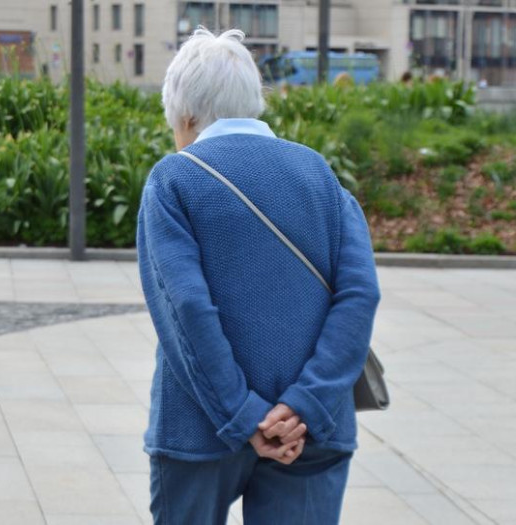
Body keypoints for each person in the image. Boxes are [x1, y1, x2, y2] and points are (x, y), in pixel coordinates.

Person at [138, 27, 381, 525]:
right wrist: (307, 402)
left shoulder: (173, 179)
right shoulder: (319, 173)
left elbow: (186, 308)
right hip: (312, 430)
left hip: (199, 428)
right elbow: (359, 294)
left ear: (186, 117)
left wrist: (242, 414)